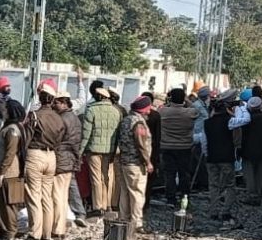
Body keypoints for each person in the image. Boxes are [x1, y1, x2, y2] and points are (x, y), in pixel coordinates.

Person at [23, 82, 66, 240]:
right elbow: (60, 139)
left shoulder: (34, 115)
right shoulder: (58, 118)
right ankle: (47, 235)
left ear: (40, 98)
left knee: (34, 195)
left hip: (35, 154)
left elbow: (26, 138)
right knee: (47, 197)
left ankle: (35, 233)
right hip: (52, 156)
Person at [79, 82, 122, 215]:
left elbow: (86, 134)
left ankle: (97, 206)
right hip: (109, 150)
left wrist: (80, 151)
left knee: (96, 178)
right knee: (105, 177)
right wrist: (114, 150)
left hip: (93, 149)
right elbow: (118, 134)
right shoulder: (116, 112)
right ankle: (106, 203)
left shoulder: (91, 110)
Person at [0, 99, 26, 240]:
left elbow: (10, 153)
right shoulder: (12, 128)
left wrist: (1, 173)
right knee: (2, 204)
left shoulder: (12, 130)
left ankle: (9, 233)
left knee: (8, 205)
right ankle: (3, 231)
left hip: (9, 173)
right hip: (10, 172)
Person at [117, 96, 154, 232]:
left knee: (125, 192)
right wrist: (148, 162)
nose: (149, 112)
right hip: (136, 163)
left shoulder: (126, 120)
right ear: (144, 109)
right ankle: (137, 222)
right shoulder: (138, 123)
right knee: (137, 193)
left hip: (124, 161)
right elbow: (141, 145)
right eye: (148, 109)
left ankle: (124, 218)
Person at [159, 88, 198, 208]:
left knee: (169, 173)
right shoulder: (190, 112)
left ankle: (170, 199)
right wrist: (186, 100)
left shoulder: (163, 112)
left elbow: (161, 108)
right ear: (183, 99)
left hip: (167, 146)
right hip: (185, 147)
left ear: (170, 98)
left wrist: (169, 102)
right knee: (184, 173)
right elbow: (197, 109)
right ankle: (184, 196)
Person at [52, 91, 82, 240]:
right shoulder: (75, 118)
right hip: (71, 159)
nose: (53, 105)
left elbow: (56, 140)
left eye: (56, 102)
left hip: (61, 159)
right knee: (63, 195)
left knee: (57, 195)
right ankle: (60, 226)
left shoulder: (61, 119)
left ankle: (57, 229)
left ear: (64, 102)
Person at [203, 99, 238, 228]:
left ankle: (213, 211)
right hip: (226, 158)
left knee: (213, 185)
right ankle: (226, 211)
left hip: (212, 158)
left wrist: (207, 155)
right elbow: (244, 120)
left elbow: (204, 142)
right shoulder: (229, 121)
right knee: (229, 185)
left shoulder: (207, 123)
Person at [239, 97, 262, 205]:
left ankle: (251, 196)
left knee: (249, 175)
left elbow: (242, 136)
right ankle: (258, 195)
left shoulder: (247, 120)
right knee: (259, 174)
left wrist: (239, 150)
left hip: (248, 151)